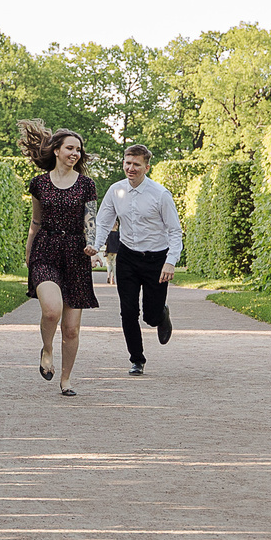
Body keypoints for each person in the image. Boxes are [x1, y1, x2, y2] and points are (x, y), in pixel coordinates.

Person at [18, 120, 98, 397]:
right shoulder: (38, 184)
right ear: (56, 150)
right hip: (46, 250)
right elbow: (36, 221)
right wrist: (29, 250)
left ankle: (66, 380)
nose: (75, 153)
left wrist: (91, 245)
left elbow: (90, 219)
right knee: (51, 310)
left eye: (78, 150)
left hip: (76, 254)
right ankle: (47, 348)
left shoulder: (87, 184)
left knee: (72, 329)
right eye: (70, 148)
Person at [94, 144, 182, 376]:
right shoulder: (116, 190)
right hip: (127, 257)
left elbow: (174, 231)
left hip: (156, 259)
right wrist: (95, 248)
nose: (130, 168)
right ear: (123, 162)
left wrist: (170, 261)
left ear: (146, 167)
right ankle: (137, 359)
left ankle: (161, 315)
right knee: (128, 310)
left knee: (150, 316)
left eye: (136, 164)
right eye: (127, 163)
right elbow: (104, 222)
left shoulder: (160, 194)